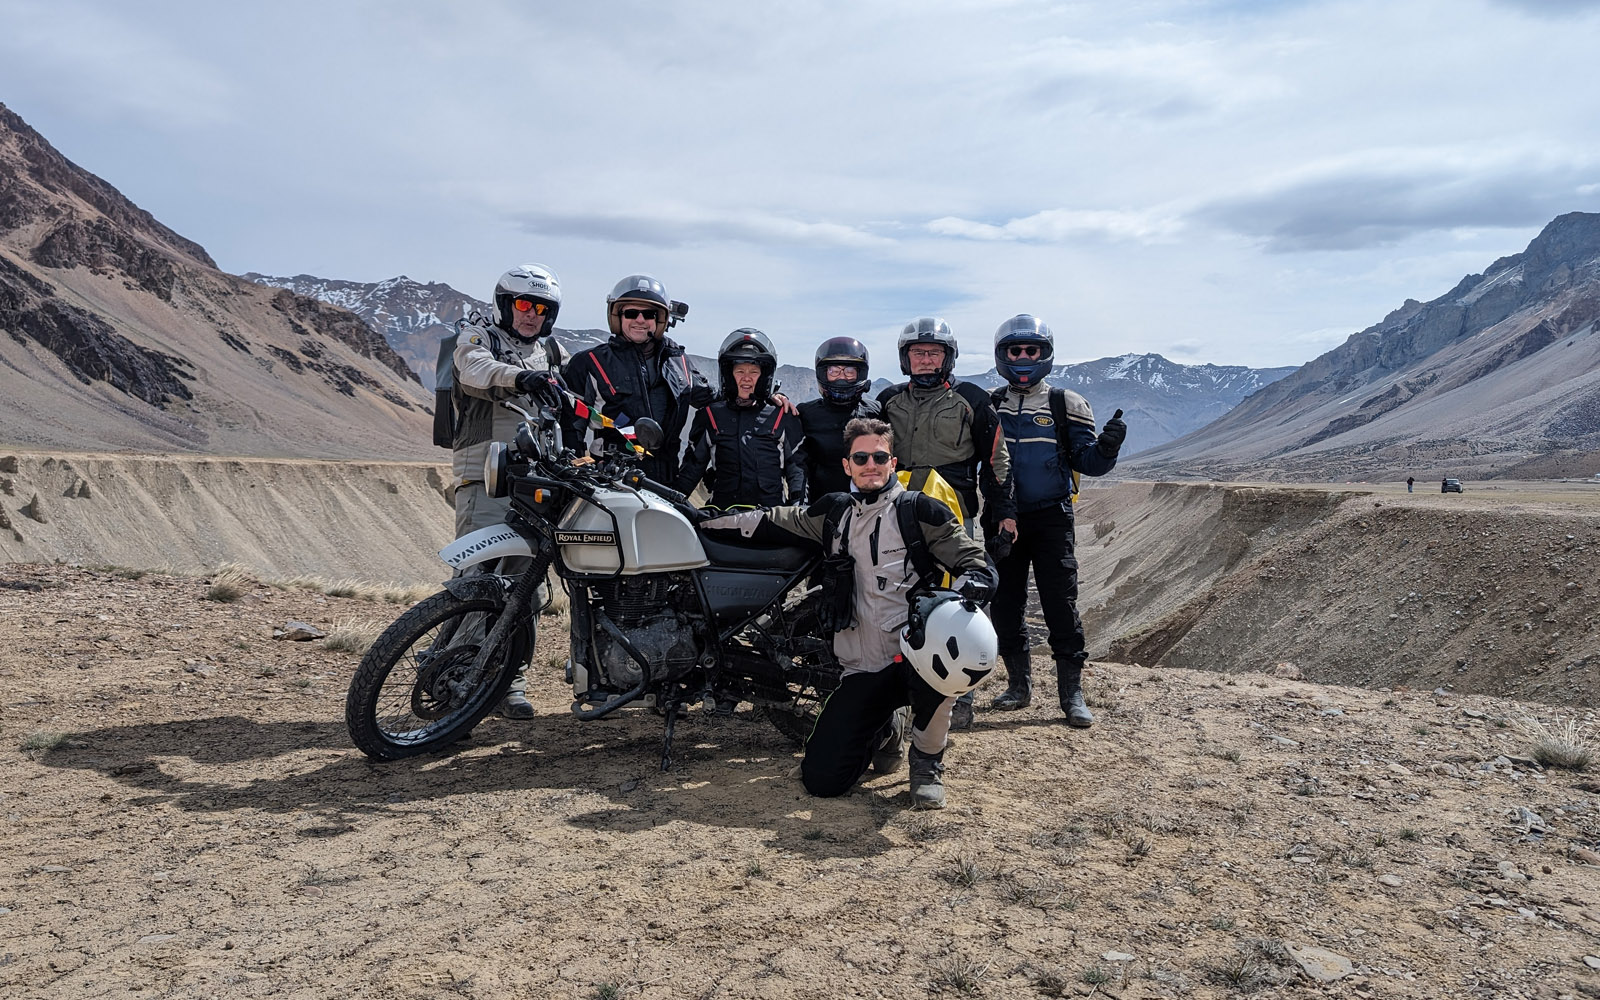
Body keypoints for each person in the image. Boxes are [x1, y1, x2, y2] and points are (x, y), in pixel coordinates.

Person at [700, 418, 998, 809]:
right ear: (847, 465)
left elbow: (975, 561)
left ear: (892, 462)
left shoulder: (919, 511)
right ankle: (886, 730)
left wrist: (968, 589)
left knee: (940, 687)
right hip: (862, 666)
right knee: (822, 781)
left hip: (917, 657)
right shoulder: (834, 512)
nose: (870, 464)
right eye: (861, 458)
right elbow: (772, 520)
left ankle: (927, 765)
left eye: (879, 457)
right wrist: (702, 521)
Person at [984, 315, 1125, 726]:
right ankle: (1018, 686)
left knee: (1060, 604)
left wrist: (1107, 449)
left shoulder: (1067, 403)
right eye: (1015, 350)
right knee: (1005, 605)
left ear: (1045, 354)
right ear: (1003, 355)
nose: (1023, 357)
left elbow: (1088, 462)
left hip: (1052, 518)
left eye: (1032, 350)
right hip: (1001, 517)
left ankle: (1072, 696)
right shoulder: (989, 405)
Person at [442, 263, 568, 719]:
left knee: (524, 584)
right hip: (486, 476)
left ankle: (509, 679)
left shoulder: (552, 352)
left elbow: (574, 399)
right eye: (524, 304)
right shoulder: (479, 338)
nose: (532, 314)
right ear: (505, 304)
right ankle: (451, 677)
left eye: (542, 308)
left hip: (536, 482)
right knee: (476, 579)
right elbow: (473, 369)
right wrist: (520, 378)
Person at [877, 317, 1016, 729]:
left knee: (959, 601)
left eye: (933, 353)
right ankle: (894, 691)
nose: (925, 360)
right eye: (917, 353)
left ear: (948, 358)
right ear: (905, 359)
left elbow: (996, 461)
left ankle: (958, 697)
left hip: (953, 515)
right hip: (897, 513)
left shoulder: (971, 399)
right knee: (893, 595)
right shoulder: (887, 401)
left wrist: (1004, 514)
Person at [563, 274, 712, 484]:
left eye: (649, 314)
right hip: (608, 481)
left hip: (666, 484)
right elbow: (571, 427)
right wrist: (575, 476)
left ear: (660, 319)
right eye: (631, 313)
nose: (640, 320)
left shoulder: (680, 362)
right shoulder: (590, 363)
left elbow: (713, 403)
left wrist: (761, 398)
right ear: (618, 316)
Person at [675, 329, 805, 508]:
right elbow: (691, 470)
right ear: (729, 375)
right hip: (721, 516)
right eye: (740, 371)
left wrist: (798, 510)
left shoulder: (782, 416)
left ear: (764, 376)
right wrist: (672, 505)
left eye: (754, 372)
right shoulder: (710, 416)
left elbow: (796, 470)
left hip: (771, 518)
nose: (746, 378)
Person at [797, 337, 881, 500]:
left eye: (849, 371)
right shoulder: (806, 413)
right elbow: (798, 464)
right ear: (823, 374)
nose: (842, 377)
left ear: (860, 373)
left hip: (868, 504)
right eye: (834, 371)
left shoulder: (876, 411)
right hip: (820, 504)